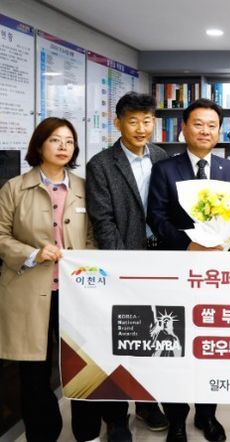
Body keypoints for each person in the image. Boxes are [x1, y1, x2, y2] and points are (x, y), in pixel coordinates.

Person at [75, 91, 170, 441]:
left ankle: (145, 402)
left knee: (154, 335)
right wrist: (122, 267)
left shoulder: (161, 157)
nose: (141, 128)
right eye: (133, 121)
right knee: (119, 337)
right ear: (118, 123)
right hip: (122, 261)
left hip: (161, 260)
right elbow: (103, 221)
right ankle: (115, 416)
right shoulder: (101, 164)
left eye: (147, 121)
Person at [148, 98, 230, 442]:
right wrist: (188, 244)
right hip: (176, 269)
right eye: (198, 124)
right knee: (174, 344)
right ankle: (176, 418)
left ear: (220, 131)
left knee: (210, 344)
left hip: (215, 275)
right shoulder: (165, 169)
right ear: (184, 128)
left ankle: (207, 414)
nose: (205, 131)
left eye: (212, 125)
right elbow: (156, 216)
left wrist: (226, 244)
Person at [0, 117, 95, 441]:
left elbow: (94, 236)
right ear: (39, 145)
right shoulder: (14, 188)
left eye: (69, 141)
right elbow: (1, 235)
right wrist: (32, 253)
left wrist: (85, 262)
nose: (63, 147)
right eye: (55, 140)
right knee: (34, 371)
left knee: (84, 364)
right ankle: (43, 433)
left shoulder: (85, 187)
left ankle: (87, 432)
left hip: (76, 292)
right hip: (28, 290)